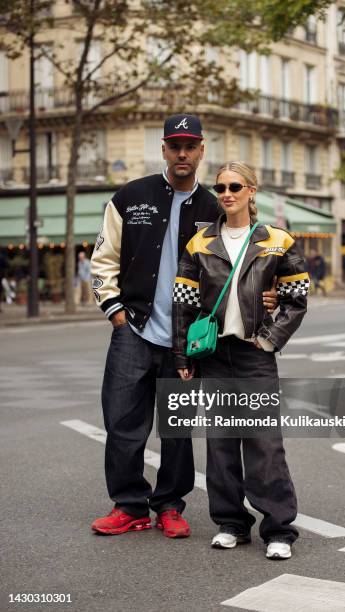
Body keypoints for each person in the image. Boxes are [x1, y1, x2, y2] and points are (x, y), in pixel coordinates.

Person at [90, 114, 279, 538]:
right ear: (163, 149)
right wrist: (116, 312)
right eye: (174, 145)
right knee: (122, 423)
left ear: (201, 151)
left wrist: (267, 296)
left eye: (189, 145)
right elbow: (102, 260)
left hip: (186, 340)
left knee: (176, 428)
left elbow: (244, 259)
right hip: (134, 329)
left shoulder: (216, 206)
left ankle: (170, 506)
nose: (182, 152)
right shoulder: (130, 197)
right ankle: (128, 505)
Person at [173, 161, 309, 559]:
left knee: (265, 445)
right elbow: (183, 302)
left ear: (252, 191)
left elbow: (297, 298)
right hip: (214, 355)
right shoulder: (200, 242)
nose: (226, 193)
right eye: (220, 187)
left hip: (254, 356)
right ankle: (231, 523)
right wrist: (182, 353)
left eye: (235, 186)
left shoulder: (277, 241)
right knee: (221, 446)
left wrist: (270, 339)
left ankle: (279, 529)